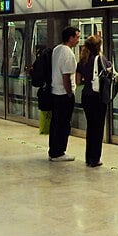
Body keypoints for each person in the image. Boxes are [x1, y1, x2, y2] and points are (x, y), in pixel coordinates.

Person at [76, 35, 109, 167]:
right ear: (98, 46)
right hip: (98, 97)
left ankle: (89, 157)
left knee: (90, 127)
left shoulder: (82, 60)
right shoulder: (101, 59)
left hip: (86, 95)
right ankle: (95, 158)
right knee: (98, 127)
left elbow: (78, 81)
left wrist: (87, 80)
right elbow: (108, 73)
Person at [48, 26, 80, 162]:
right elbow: (66, 76)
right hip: (63, 94)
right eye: (77, 37)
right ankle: (59, 152)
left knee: (55, 123)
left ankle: (53, 150)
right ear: (71, 38)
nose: (78, 40)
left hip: (54, 91)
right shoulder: (68, 53)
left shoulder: (57, 49)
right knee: (63, 123)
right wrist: (69, 93)